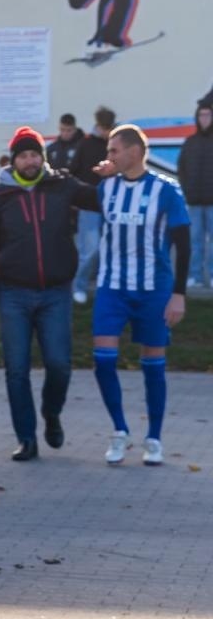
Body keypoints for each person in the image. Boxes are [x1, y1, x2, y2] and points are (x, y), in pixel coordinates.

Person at [0, 127, 101, 460]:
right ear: (14, 160)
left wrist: (112, 174)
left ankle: (51, 412)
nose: (30, 161)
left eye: (35, 155)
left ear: (42, 159)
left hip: (55, 292)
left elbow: (98, 199)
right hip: (13, 294)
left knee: (59, 364)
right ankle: (27, 438)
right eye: (24, 155)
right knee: (16, 369)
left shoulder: (62, 186)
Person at [90, 124, 191, 466]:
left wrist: (178, 294)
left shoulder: (166, 190)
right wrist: (103, 173)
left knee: (153, 367)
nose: (109, 157)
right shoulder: (107, 189)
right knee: (102, 360)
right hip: (112, 287)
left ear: (134, 151)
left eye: (114, 150)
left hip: (153, 289)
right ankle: (119, 430)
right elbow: (75, 191)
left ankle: (154, 438)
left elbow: (183, 243)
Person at [70, 106, 114, 304]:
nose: (106, 132)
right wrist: (76, 199)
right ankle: (78, 286)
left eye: (109, 128)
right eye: (104, 128)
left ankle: (103, 287)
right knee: (90, 249)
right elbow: (74, 172)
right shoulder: (85, 144)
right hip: (89, 205)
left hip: (112, 204)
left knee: (109, 249)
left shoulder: (116, 144)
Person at [178, 99, 213, 289]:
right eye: (202, 115)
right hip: (194, 202)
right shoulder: (190, 142)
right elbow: (181, 168)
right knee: (195, 241)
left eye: (208, 115)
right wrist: (187, 190)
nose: (205, 118)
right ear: (197, 118)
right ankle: (195, 276)